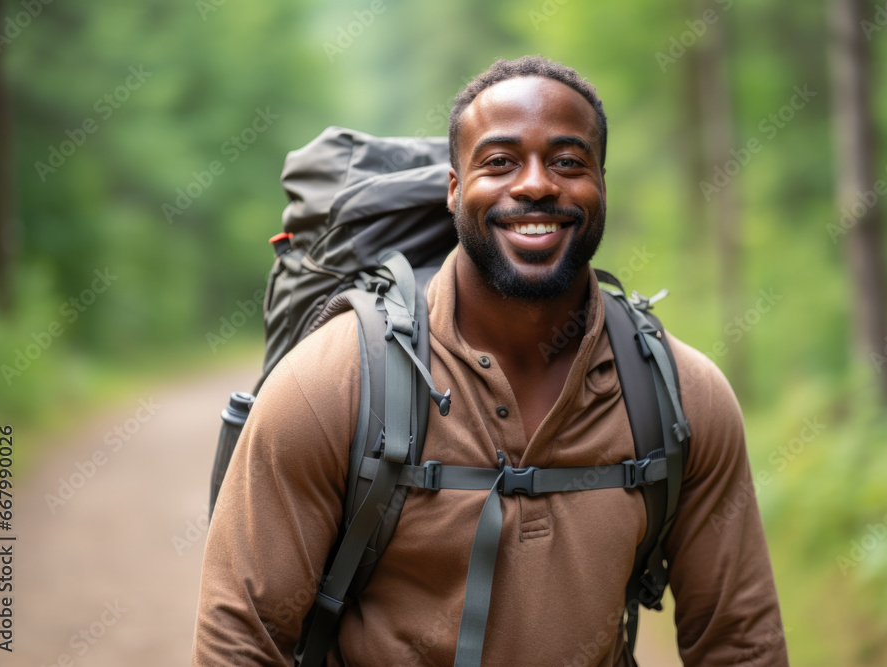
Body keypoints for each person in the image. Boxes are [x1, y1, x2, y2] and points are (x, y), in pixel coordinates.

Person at [194, 55, 788, 666]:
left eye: (568, 162)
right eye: (500, 162)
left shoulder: (681, 396)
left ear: (601, 185)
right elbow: (243, 640)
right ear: (454, 189)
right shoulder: (332, 384)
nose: (536, 184)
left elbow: (739, 643)